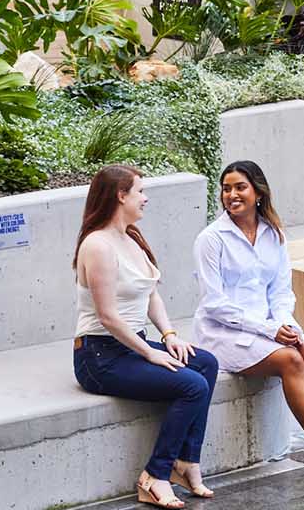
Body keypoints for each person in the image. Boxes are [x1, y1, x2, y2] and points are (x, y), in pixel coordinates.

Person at [193, 160, 304, 493]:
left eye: (240, 187)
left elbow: (280, 292)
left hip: (269, 326)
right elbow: (214, 305)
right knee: (291, 360)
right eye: (226, 188)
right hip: (224, 334)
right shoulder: (211, 239)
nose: (231, 195)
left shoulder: (273, 234)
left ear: (258, 192)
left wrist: (286, 325)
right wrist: (269, 330)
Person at [73, 165, 220, 507]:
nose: (146, 198)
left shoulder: (131, 238)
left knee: (206, 363)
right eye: (140, 191)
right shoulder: (97, 246)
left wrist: (168, 336)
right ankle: (154, 475)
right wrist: (150, 352)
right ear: (120, 196)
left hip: (129, 346)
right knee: (191, 384)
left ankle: (186, 462)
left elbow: (150, 294)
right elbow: (108, 316)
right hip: (99, 356)